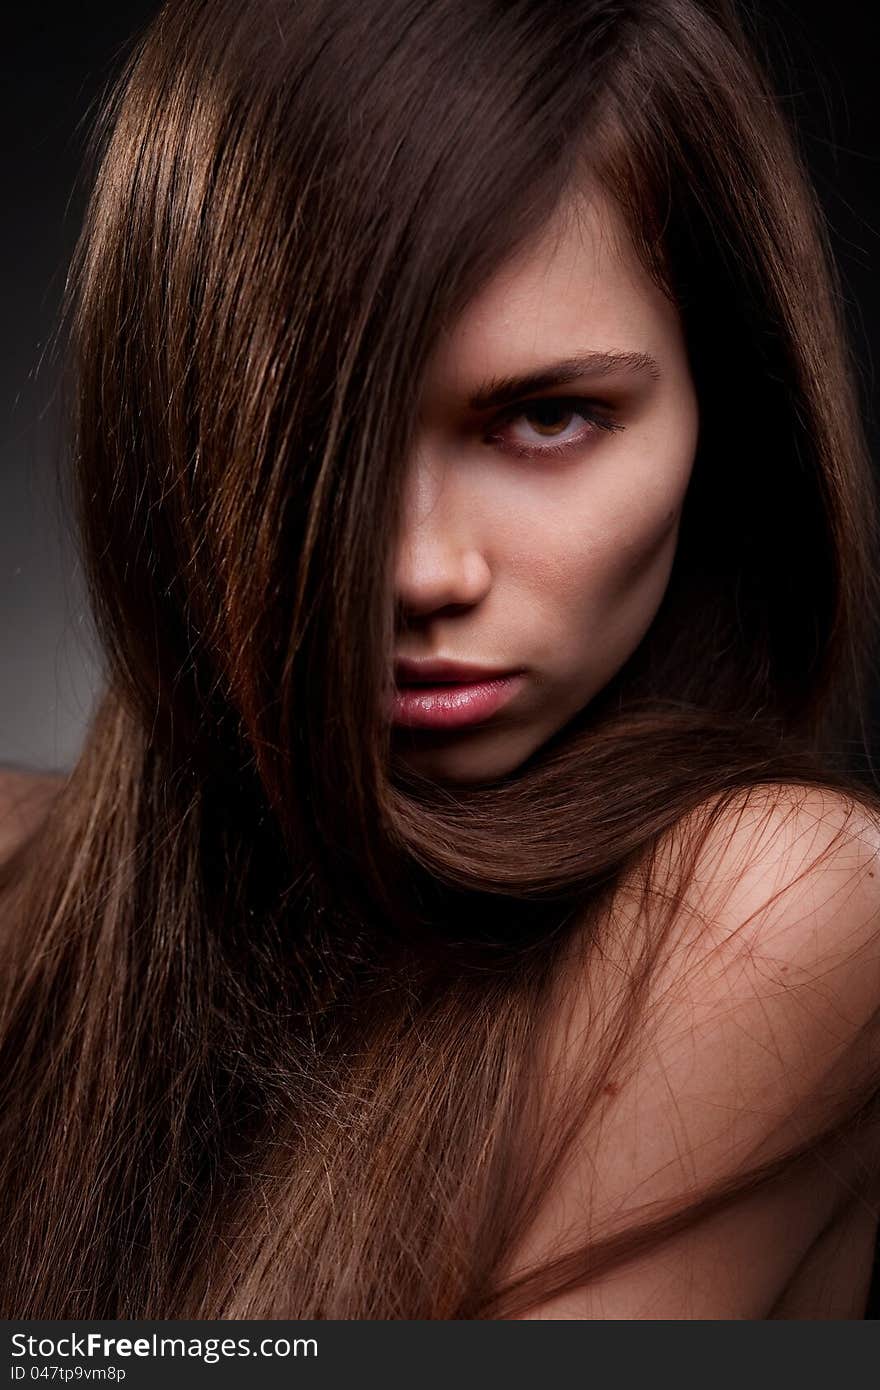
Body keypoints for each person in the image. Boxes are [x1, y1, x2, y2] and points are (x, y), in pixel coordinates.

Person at [1, 0, 880, 1320]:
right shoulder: (29, 895)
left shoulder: (781, 907)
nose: (420, 570)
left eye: (546, 417)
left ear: (725, 412)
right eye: (313, 427)